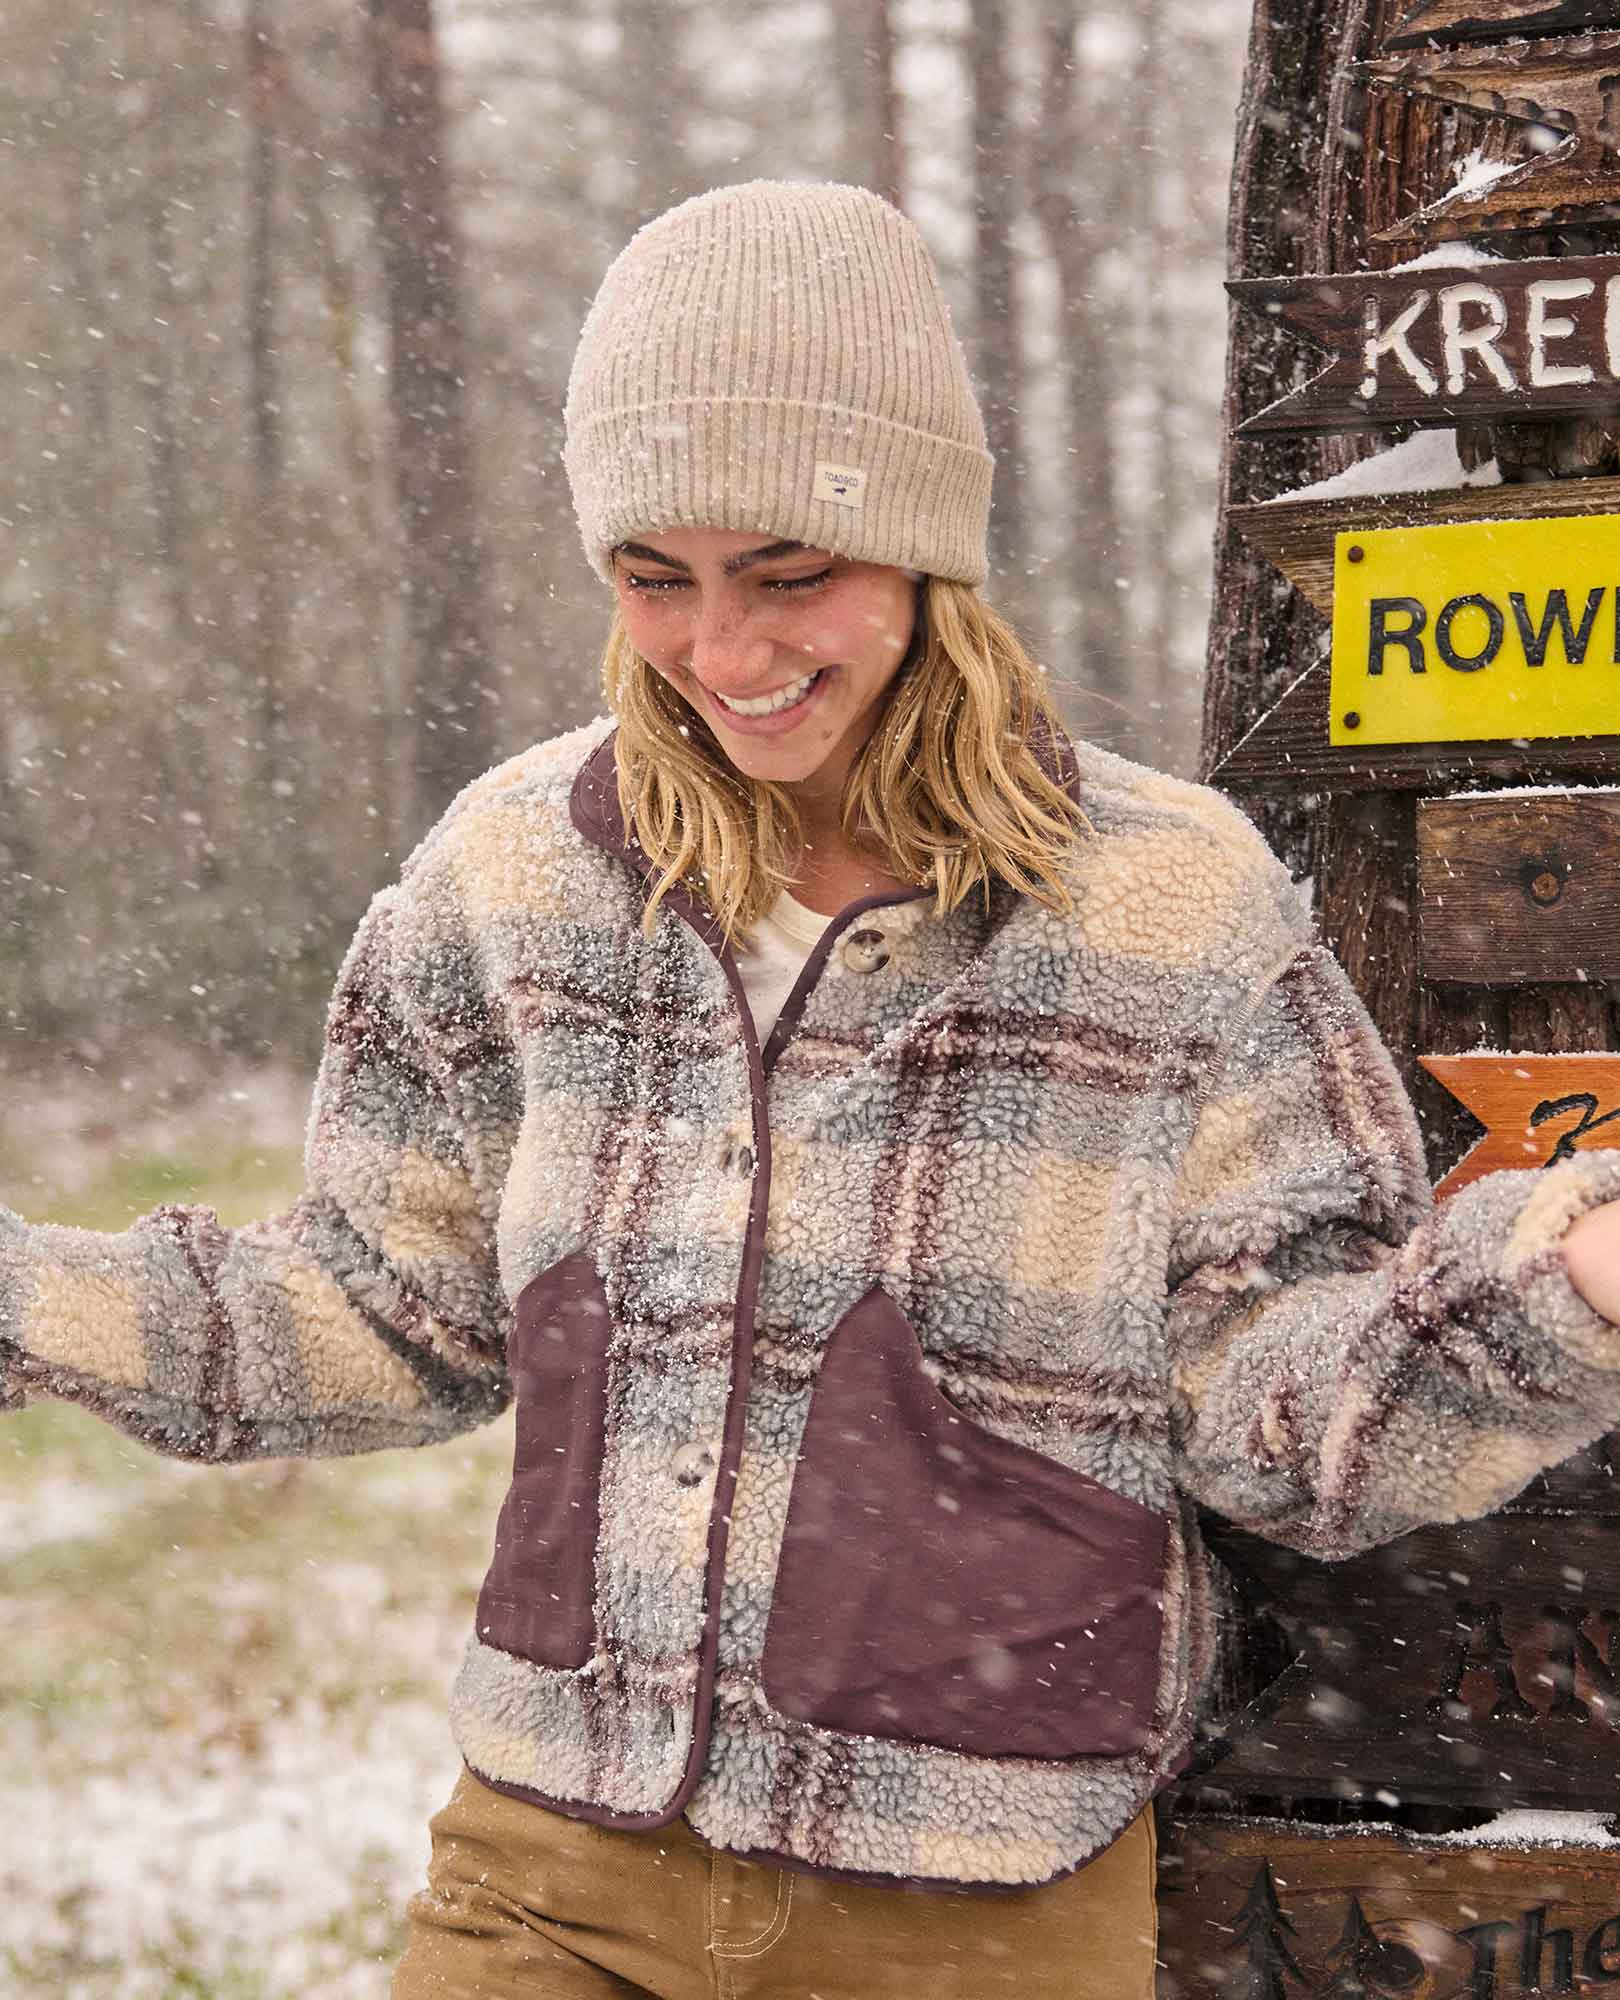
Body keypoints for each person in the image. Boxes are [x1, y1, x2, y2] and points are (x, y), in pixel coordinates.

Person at [5, 179, 1620, 2000]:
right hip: (550, 1870)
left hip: (974, 1909)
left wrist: (1562, 1289)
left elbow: (1278, 1420)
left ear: (930, 559)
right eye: (655, 579)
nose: (725, 654)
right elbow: (385, 1312)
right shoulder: (512, 879)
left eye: (794, 576)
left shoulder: (1176, 908)